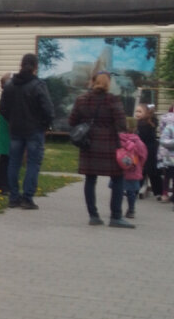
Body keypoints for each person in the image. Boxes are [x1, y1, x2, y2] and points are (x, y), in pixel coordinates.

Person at [68, 70, 129, 227]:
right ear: (108, 83)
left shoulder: (82, 99)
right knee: (117, 178)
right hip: (109, 144)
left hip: (89, 144)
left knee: (90, 179)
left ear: (92, 81)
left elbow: (72, 120)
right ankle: (116, 217)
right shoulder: (113, 100)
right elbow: (122, 124)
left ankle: (93, 216)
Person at [0, 52, 54, 210]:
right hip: (34, 129)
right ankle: (27, 198)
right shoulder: (38, 85)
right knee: (33, 164)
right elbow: (48, 109)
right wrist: (44, 125)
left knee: (13, 163)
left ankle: (13, 197)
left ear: (21, 65)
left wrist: (12, 120)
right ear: (35, 67)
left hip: (15, 129)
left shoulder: (9, 85)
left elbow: (3, 109)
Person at [115, 129, 147, 219]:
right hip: (133, 169)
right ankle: (131, 210)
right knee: (131, 192)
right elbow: (143, 155)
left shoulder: (118, 139)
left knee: (118, 190)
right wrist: (140, 165)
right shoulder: (138, 142)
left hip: (118, 169)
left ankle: (117, 209)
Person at [135, 104, 160, 200]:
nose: (137, 113)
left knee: (148, 171)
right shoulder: (146, 123)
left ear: (146, 113)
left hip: (148, 150)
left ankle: (137, 189)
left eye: (140, 111)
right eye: (136, 111)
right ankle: (158, 191)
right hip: (147, 149)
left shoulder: (143, 124)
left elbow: (142, 138)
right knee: (147, 171)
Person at [0, 72, 12, 195]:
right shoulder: (7, 94)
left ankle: (2, 186)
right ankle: (1, 186)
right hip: (7, 130)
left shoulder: (6, 94)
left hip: (5, 130)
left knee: (5, 158)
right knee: (5, 159)